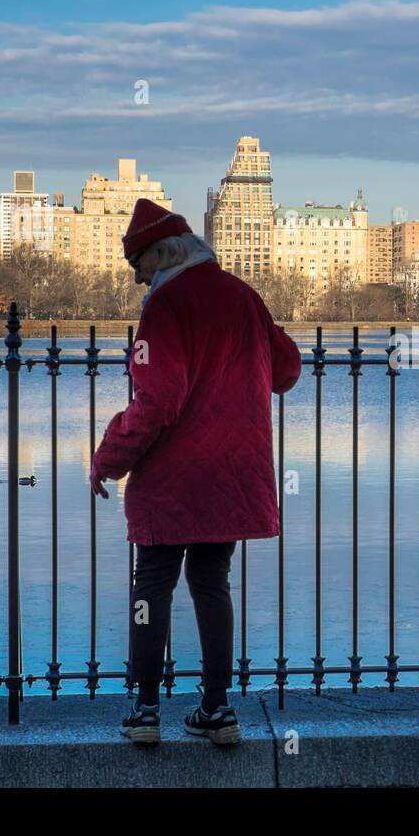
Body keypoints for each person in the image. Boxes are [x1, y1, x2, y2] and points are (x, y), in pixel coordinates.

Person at [90, 197, 301, 746]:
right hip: (232, 471)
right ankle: (218, 709)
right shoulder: (242, 295)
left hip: (174, 476)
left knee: (152, 584)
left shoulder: (165, 307)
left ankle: (144, 710)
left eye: (139, 267)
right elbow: (286, 370)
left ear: (161, 253)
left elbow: (158, 401)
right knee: (212, 584)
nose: (138, 281)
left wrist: (109, 456)